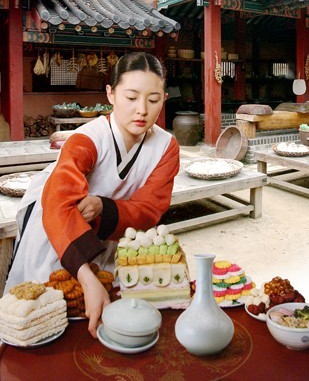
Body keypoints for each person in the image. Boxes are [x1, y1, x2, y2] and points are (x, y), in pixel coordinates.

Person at [5, 52, 180, 338]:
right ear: (111, 94)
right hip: (56, 225)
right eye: (131, 97)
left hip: (106, 231)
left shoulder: (166, 146)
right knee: (43, 317)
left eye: (153, 100)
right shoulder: (87, 139)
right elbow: (59, 201)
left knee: (101, 313)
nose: (142, 110)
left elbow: (149, 209)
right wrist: (84, 275)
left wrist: (102, 208)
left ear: (164, 99)